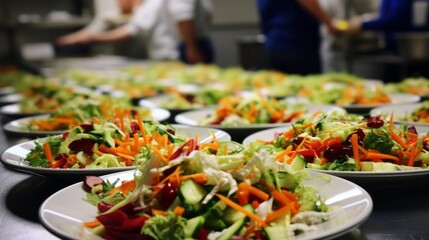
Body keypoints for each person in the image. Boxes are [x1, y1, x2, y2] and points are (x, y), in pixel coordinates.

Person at [56, 0, 179, 61]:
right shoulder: (110, 15)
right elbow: (88, 31)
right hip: (158, 57)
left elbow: (131, 31)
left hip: (162, 57)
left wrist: (93, 38)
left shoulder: (151, 5)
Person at [255, 0, 340, 75]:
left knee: (282, 89)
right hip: (297, 43)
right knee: (305, 89)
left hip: (273, 42)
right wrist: (329, 23)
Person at [318, 0, 380, 72]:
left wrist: (362, 23)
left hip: (366, 50)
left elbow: (382, 15)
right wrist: (329, 23)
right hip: (333, 47)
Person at [347, 0, 429, 53]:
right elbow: (386, 15)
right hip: (394, 48)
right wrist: (367, 19)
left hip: (407, 50)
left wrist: (363, 25)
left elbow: (397, 19)